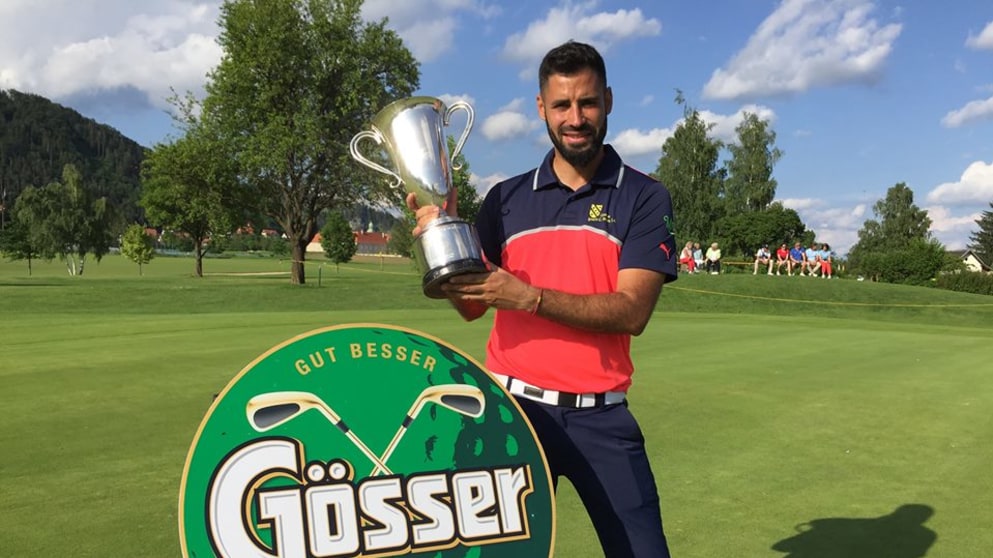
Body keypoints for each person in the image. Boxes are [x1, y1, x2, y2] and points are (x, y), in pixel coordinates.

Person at [407, 41, 674, 557]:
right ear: (541, 108)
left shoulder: (644, 195)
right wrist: (440, 238)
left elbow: (633, 310)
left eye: (587, 103)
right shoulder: (505, 198)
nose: (575, 118)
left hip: (602, 419)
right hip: (513, 412)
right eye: (561, 105)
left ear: (608, 101)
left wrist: (530, 297)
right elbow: (471, 306)